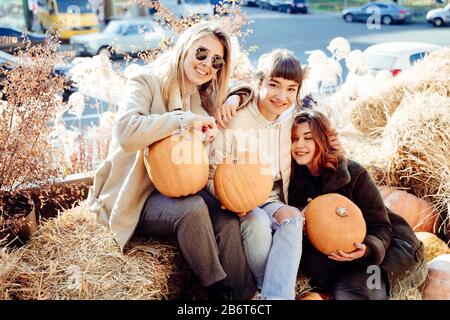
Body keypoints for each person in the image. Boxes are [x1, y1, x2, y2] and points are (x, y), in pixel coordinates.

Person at [87, 21, 256, 300]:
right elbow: (126, 131)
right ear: (185, 47)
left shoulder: (200, 98)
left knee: (226, 216)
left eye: (216, 61)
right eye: (201, 53)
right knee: (193, 208)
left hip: (177, 188)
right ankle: (219, 293)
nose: (206, 65)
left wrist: (235, 98)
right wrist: (182, 121)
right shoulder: (146, 81)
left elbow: (250, 88)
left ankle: (245, 297)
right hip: (138, 197)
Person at [288, 109, 428, 300]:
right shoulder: (291, 183)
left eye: (308, 138)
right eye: (294, 139)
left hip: (382, 255)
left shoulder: (353, 173)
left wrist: (368, 248)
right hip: (334, 264)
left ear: (321, 139)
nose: (299, 145)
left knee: (351, 291)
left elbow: (381, 226)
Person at [208, 49, 306, 300]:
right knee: (257, 223)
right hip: (238, 196)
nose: (282, 96)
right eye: (274, 85)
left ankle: (271, 296)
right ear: (259, 83)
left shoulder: (290, 119)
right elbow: (210, 172)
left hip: (271, 196)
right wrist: (229, 199)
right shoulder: (234, 119)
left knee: (293, 218)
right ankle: (273, 292)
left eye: (291, 89)